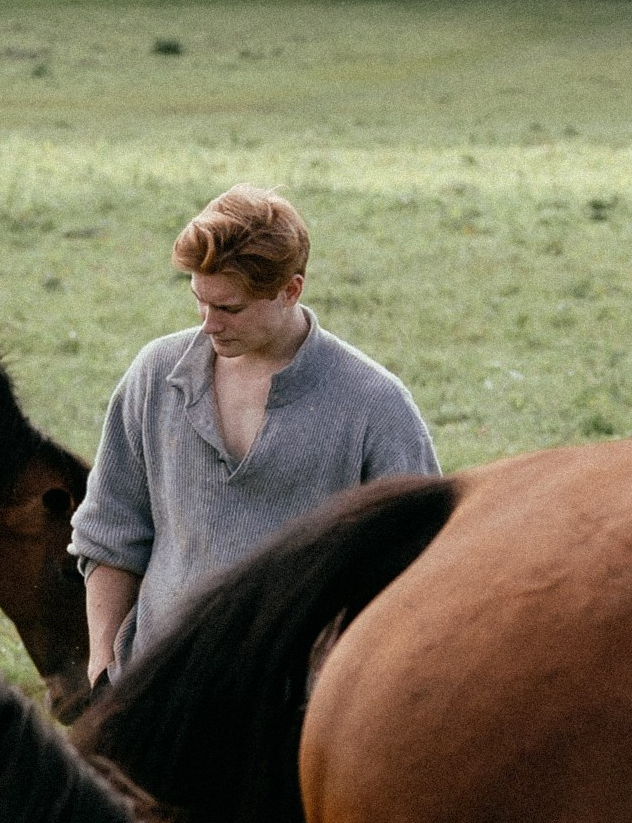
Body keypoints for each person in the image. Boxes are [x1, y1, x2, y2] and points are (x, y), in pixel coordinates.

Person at [71, 184, 440, 686]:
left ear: (291, 290)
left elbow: (418, 571)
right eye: (199, 301)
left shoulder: (375, 405)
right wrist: (102, 673)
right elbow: (111, 535)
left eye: (229, 309)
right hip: (157, 697)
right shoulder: (155, 375)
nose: (208, 325)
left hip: (298, 716)